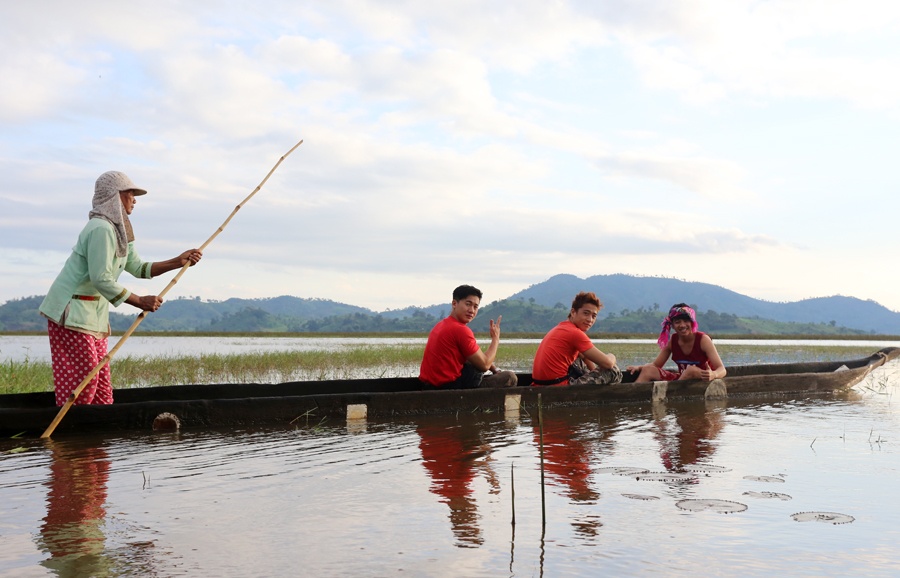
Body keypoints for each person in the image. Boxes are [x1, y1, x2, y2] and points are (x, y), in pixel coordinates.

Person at [39, 170, 202, 406]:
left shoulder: (121, 230)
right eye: (130, 194)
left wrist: (178, 261)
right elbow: (101, 279)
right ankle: (72, 435)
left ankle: (99, 437)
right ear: (115, 197)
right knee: (85, 382)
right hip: (70, 312)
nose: (134, 200)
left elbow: (137, 267)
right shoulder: (101, 229)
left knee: (102, 387)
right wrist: (139, 301)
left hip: (93, 315)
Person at [418, 285, 517, 389]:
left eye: (475, 307)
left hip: (429, 386)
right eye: (468, 304)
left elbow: (473, 356)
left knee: (472, 362)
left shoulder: (441, 325)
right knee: (510, 377)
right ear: (454, 304)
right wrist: (495, 339)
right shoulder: (460, 330)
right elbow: (484, 365)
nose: (472, 310)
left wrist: (495, 370)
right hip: (449, 388)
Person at [531, 291, 622, 386]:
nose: (590, 320)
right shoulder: (574, 333)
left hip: (541, 385)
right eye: (586, 313)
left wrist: (593, 372)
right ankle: (612, 395)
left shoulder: (562, 328)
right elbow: (608, 364)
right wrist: (612, 356)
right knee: (612, 370)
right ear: (573, 312)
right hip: (559, 388)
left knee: (579, 357)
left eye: (593, 316)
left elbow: (585, 357)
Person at [626, 303, 726, 382]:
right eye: (677, 322)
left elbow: (722, 369)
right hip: (682, 379)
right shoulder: (672, 341)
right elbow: (656, 365)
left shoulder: (703, 340)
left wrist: (714, 374)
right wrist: (639, 367)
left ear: (692, 322)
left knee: (691, 370)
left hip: (703, 378)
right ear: (672, 325)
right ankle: (630, 397)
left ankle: (671, 392)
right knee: (648, 370)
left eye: (686, 321)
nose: (682, 325)